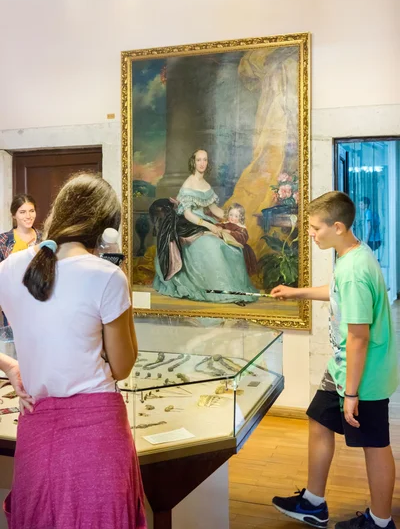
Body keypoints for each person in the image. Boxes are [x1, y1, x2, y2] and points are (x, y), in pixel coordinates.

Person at [0, 173, 147, 529]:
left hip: (37, 426)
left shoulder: (8, 269)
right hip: (97, 428)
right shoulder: (106, 276)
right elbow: (124, 364)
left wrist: (9, 365)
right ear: (103, 229)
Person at [270, 191, 398, 529]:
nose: (310, 234)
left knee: (374, 444)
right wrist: (297, 292)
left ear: (337, 227)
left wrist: (352, 394)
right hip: (343, 368)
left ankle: (381, 522)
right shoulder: (350, 255)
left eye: (314, 228)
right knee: (319, 420)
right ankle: (313, 502)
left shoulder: (355, 269)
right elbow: (337, 290)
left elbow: (359, 336)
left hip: (363, 374)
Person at [153, 149, 257, 304]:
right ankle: (220, 292)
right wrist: (209, 226)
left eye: (205, 160)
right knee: (213, 246)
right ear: (193, 162)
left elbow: (214, 209)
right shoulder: (189, 184)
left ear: (208, 163)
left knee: (231, 247)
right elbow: (188, 214)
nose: (202, 163)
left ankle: (235, 289)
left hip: (205, 222)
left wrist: (234, 219)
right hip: (189, 225)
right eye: (199, 160)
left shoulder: (206, 185)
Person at [0, 194, 41, 334]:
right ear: (14, 215)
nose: (28, 216)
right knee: (16, 344)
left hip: (40, 300)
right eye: (22, 212)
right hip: (13, 303)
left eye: (31, 211)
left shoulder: (45, 238)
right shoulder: (3, 240)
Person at [215, 203, 257, 276]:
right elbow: (217, 227)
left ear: (240, 218)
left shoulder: (241, 228)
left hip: (238, 249)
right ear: (228, 214)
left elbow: (242, 238)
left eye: (236, 216)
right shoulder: (225, 224)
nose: (232, 218)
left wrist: (230, 232)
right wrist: (219, 228)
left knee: (237, 269)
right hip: (226, 247)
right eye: (231, 215)